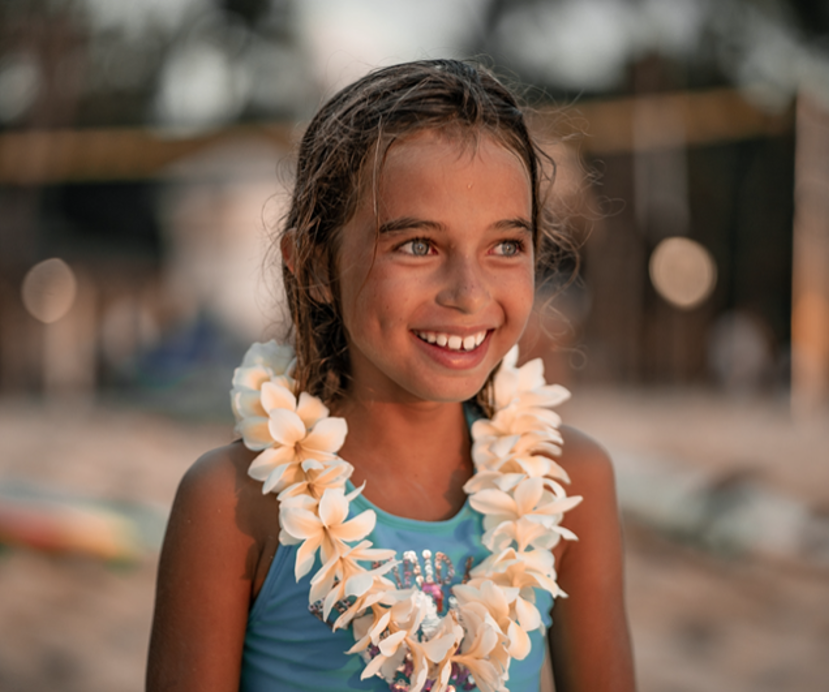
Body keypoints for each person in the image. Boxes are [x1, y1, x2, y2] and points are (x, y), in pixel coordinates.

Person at [146, 59, 634, 692]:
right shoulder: (234, 502)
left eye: (505, 246)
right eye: (418, 245)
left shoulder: (567, 483)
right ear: (316, 267)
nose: (468, 292)